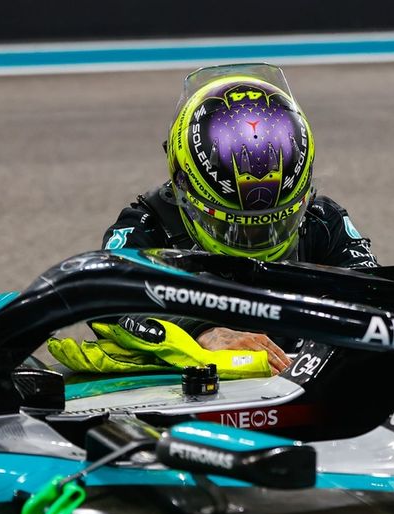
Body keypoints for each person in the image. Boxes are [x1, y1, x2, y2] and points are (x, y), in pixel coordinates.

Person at [102, 63, 378, 374]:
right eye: (234, 225)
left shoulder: (323, 222)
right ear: (184, 186)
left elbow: (379, 301)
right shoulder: (147, 227)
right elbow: (106, 301)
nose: (254, 242)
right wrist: (202, 330)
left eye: (273, 225)